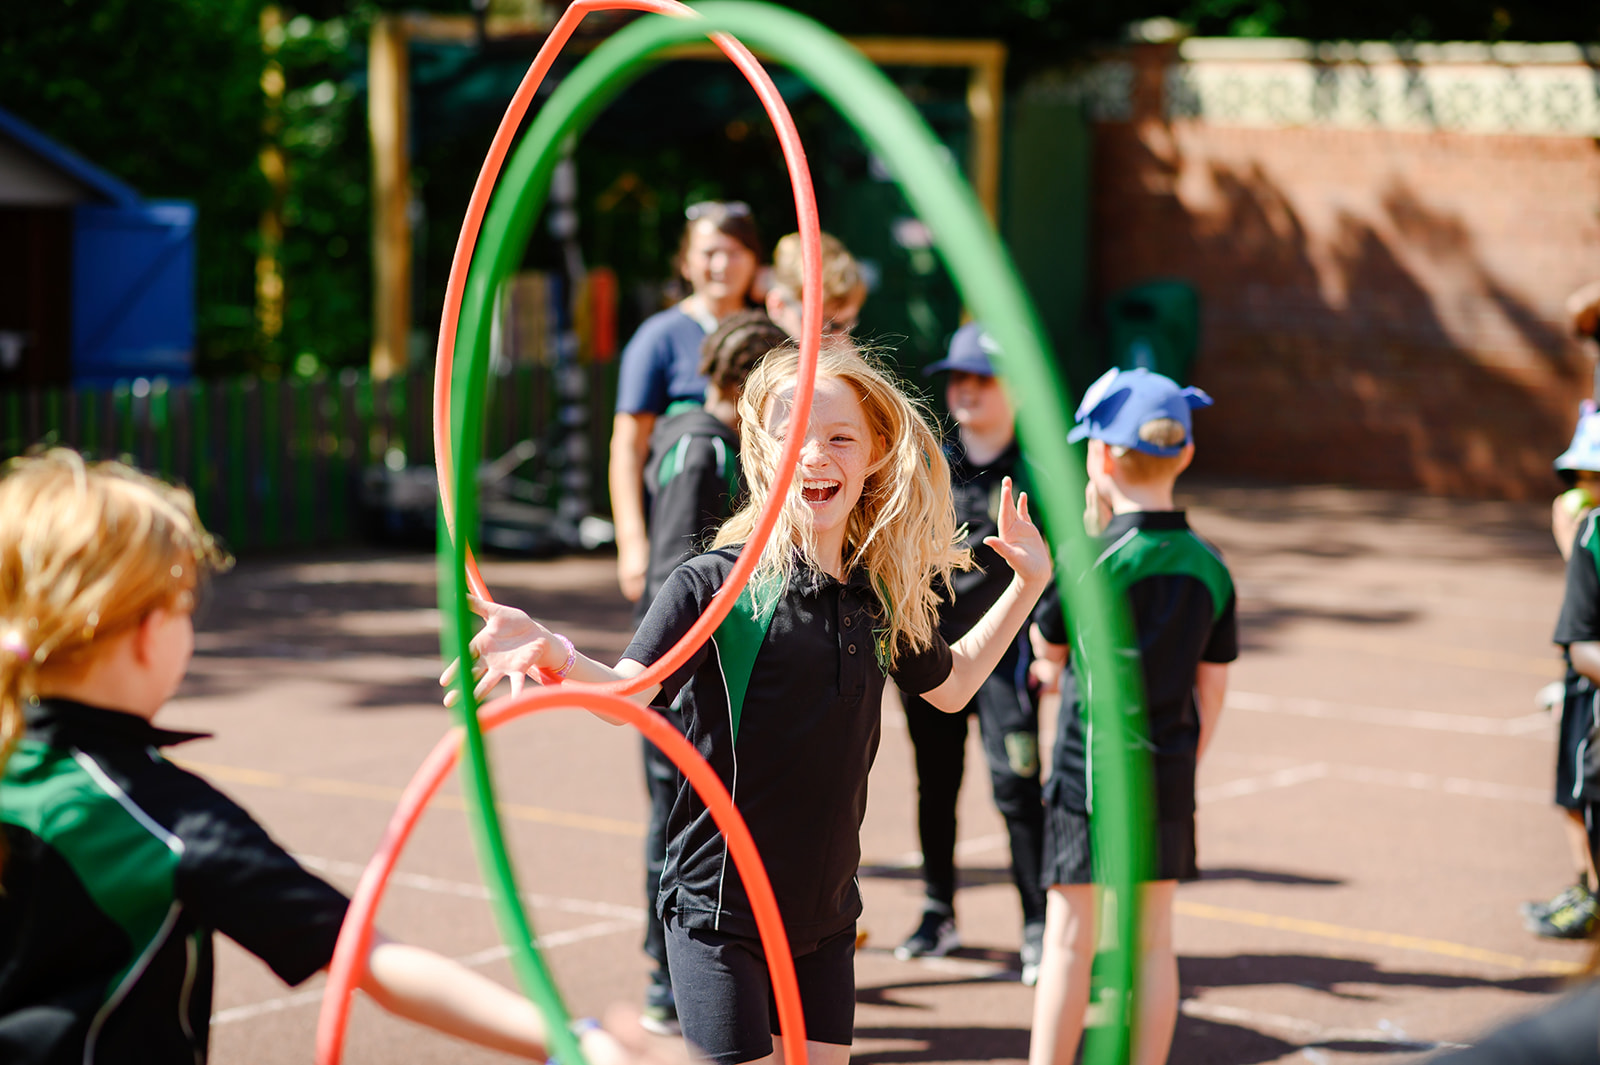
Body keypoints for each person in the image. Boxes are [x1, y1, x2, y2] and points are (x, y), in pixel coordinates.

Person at [447, 339, 1052, 1065]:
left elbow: (952, 685)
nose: (815, 456)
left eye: (839, 437)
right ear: (762, 451)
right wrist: (556, 651)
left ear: (876, 452)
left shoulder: (878, 591)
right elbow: (629, 696)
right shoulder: (714, 585)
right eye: (794, 436)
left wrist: (1027, 586)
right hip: (720, 915)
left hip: (825, 922)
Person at [0, 449, 681, 1065]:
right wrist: (575, 1039)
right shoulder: (163, 822)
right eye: (183, 605)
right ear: (149, 634)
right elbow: (367, 955)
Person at [1027, 368, 1236, 1065]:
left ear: (1102, 457)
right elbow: (1213, 689)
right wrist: (1184, 759)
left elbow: (1047, 642)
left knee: (1068, 937)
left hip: (1091, 771)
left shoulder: (1091, 556)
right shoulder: (1211, 565)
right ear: (1186, 454)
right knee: (1152, 940)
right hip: (1170, 770)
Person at [635, 309, 787, 1034]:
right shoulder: (702, 450)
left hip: (692, 658)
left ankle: (694, 971)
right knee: (679, 821)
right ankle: (669, 975)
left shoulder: (705, 440)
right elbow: (679, 568)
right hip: (681, 667)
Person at [893, 323, 1048, 986]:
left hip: (1006, 656)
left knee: (1015, 786)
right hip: (933, 647)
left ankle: (1038, 921)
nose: (964, 387)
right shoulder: (928, 465)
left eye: (981, 375)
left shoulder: (1040, 473)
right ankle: (938, 910)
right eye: (956, 375)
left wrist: (1049, 639)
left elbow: (1056, 567)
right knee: (937, 782)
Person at [611, 201, 763, 604]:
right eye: (710, 252)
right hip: (682, 513)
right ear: (685, 262)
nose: (722, 264)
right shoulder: (660, 336)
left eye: (734, 252)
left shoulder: (771, 331)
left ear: (754, 261)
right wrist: (631, 543)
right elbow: (628, 444)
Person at [1533, 404, 1600, 940]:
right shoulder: (1587, 532)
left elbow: (1582, 643)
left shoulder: (1590, 532)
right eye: (1580, 478)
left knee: (1584, 795)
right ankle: (1587, 885)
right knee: (1572, 798)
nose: (1584, 489)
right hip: (1586, 683)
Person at [762, 231, 867, 340]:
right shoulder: (755, 346)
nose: (838, 339)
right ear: (777, 306)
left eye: (847, 323)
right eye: (824, 327)